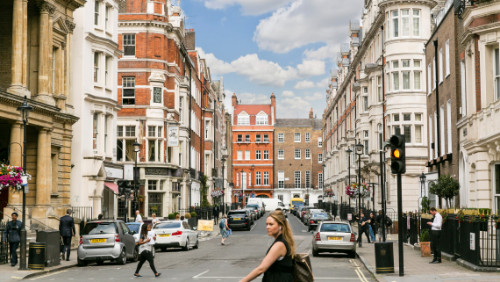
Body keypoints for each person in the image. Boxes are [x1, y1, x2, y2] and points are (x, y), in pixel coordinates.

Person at [241, 210, 295, 282]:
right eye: (267, 224)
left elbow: (261, 269)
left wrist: (243, 281)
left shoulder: (279, 245)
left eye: (271, 224)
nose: (267, 227)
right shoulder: (284, 240)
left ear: (280, 226)